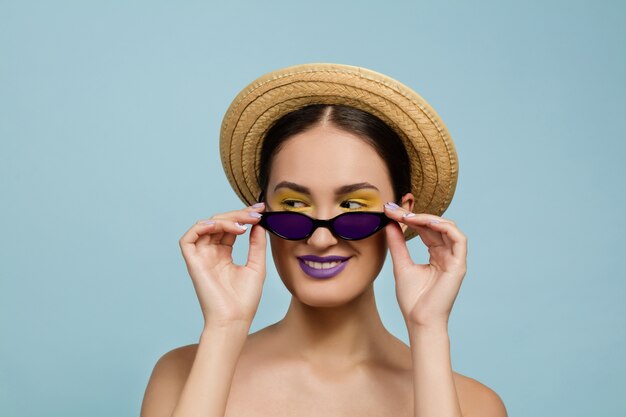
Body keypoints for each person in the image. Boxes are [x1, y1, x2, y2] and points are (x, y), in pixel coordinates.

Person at [140, 64, 507, 417]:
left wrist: (428, 329)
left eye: (352, 205)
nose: (319, 238)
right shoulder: (182, 374)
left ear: (402, 214)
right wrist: (225, 326)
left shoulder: (473, 405)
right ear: (261, 211)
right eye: (294, 204)